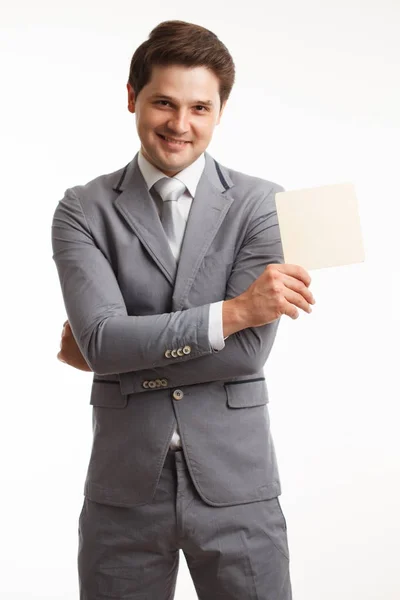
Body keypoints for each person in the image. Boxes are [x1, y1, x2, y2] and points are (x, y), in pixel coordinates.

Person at [52, 19, 315, 600]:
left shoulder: (264, 204)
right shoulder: (82, 210)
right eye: (164, 103)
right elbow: (101, 341)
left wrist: (117, 357)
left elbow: (247, 354)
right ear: (131, 98)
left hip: (238, 485)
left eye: (200, 107)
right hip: (123, 491)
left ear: (221, 110)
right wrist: (234, 311)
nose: (180, 124)